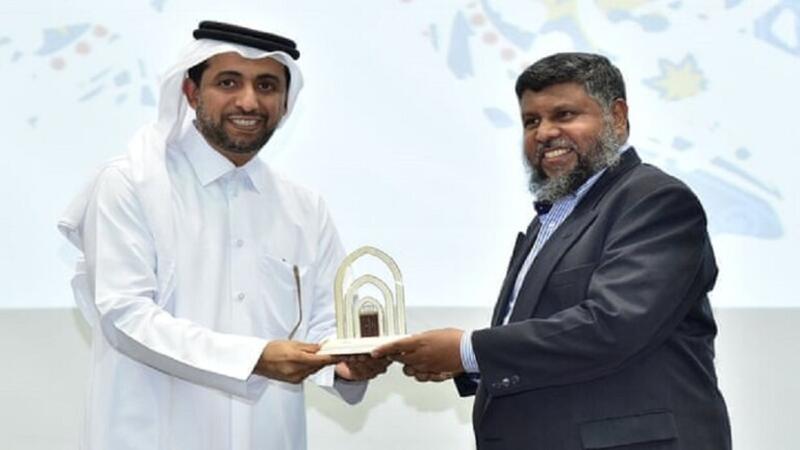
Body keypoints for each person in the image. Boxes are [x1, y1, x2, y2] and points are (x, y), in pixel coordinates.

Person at [374, 52, 731, 449]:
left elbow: (610, 327)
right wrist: (468, 366)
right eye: (531, 121)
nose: (544, 132)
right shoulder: (553, 216)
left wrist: (468, 351)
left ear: (617, 117)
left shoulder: (654, 200)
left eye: (564, 115)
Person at [58, 21, 388, 450]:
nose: (248, 101)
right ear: (191, 92)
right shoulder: (130, 184)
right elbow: (125, 316)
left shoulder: (304, 208)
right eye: (228, 82)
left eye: (267, 85)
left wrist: (345, 365)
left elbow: (327, 322)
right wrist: (254, 359)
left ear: (285, 102)